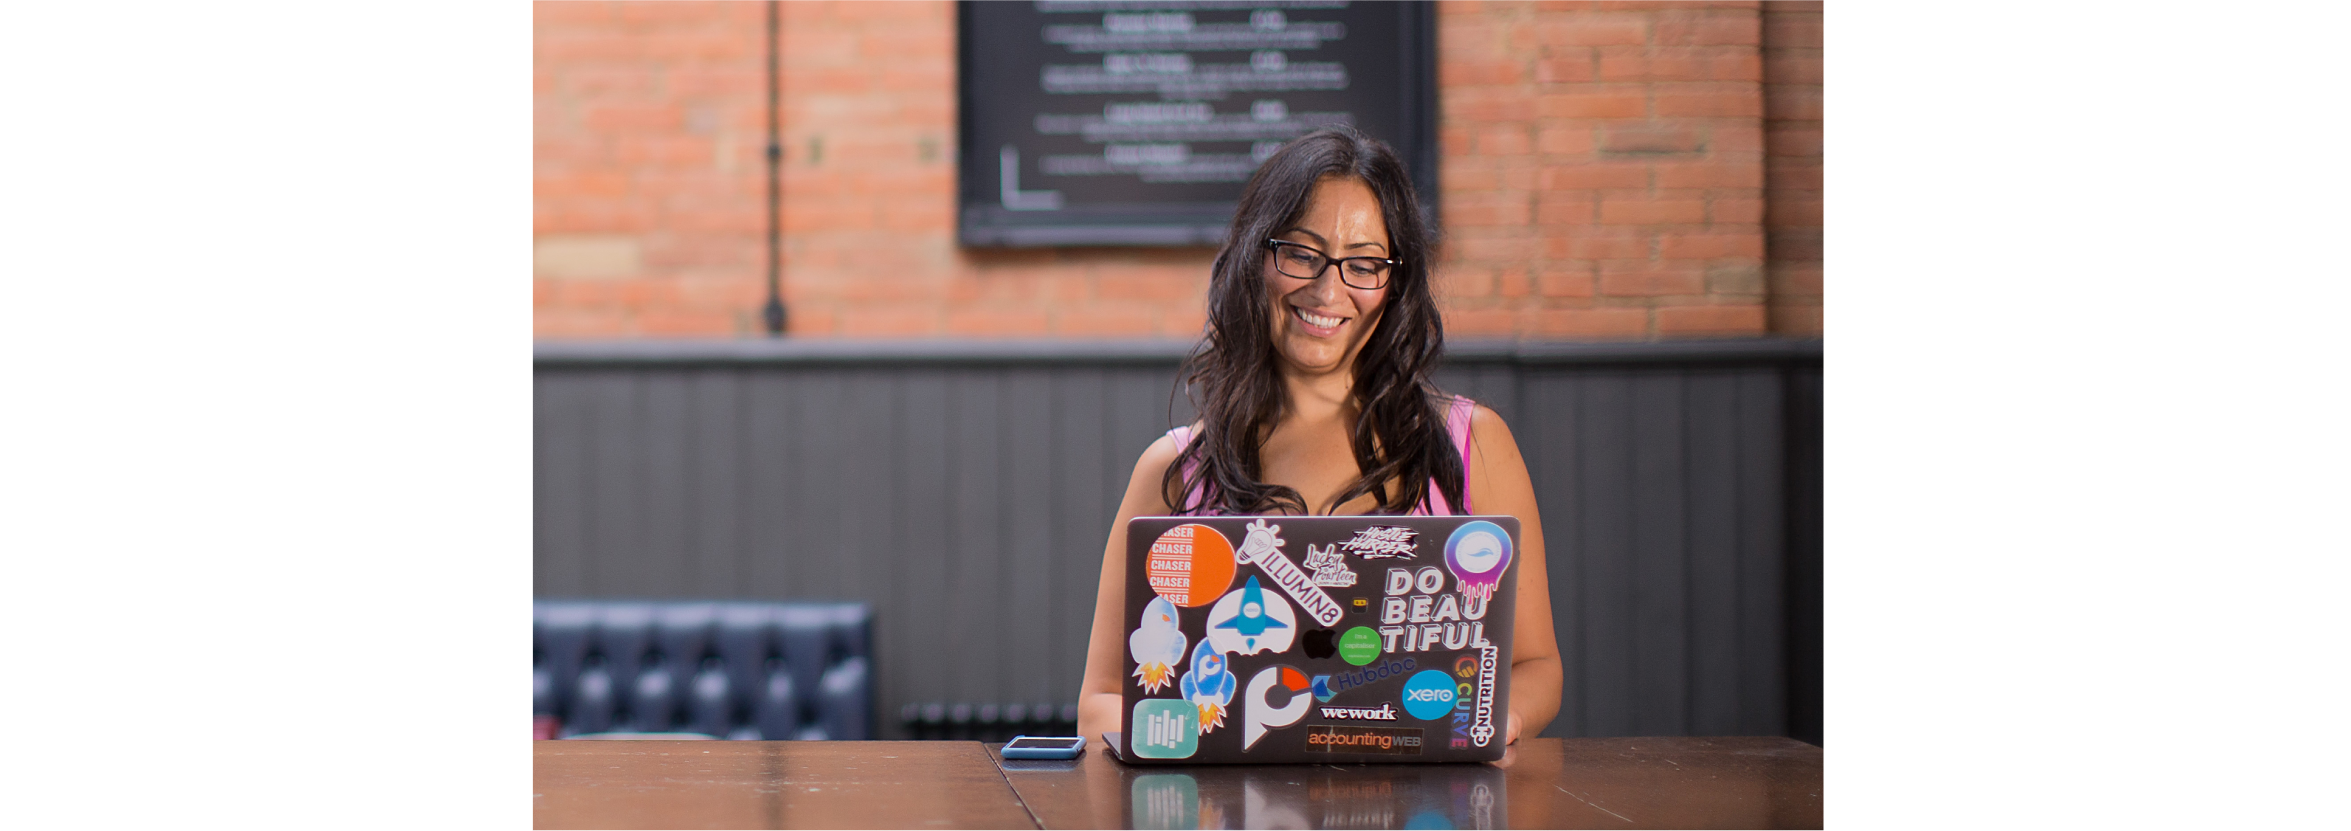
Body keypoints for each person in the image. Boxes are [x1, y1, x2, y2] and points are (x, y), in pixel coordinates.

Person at [1075, 127, 1563, 746]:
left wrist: (1491, 723)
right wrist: (1193, 740)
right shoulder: (1174, 470)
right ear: (1256, 256)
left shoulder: (1474, 444)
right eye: (1302, 254)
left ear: (1395, 284)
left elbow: (1535, 666)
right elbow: (1101, 702)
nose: (1329, 290)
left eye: (1363, 264)